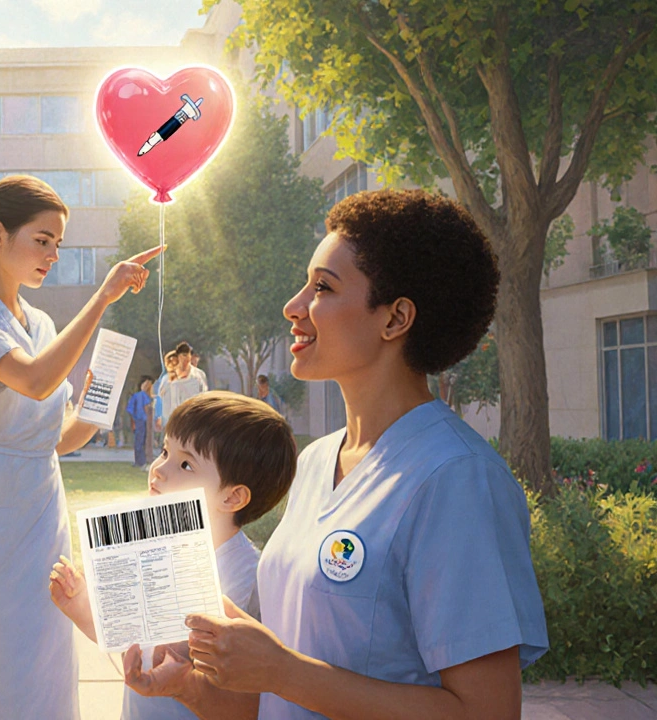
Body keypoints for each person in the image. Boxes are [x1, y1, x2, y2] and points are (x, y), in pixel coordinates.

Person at [125, 190, 549, 719]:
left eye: (322, 287)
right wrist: (190, 687)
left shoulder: (455, 479)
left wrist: (281, 668)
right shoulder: (318, 462)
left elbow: (487, 713)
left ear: (395, 319)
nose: (294, 306)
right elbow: (279, 696)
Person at [0, 175, 163, 719]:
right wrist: (103, 295)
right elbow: (32, 380)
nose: (53, 255)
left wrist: (102, 395)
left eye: (59, 244)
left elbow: (56, 437)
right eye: (43, 240)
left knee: (42, 665)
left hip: (41, 502)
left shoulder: (43, 322)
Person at [50, 391, 297, 720]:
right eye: (164, 451)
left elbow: (247, 703)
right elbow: (134, 643)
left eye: (185, 464)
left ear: (233, 497)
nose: (158, 469)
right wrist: (81, 607)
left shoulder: (247, 582)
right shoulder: (154, 552)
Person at [159, 343, 206, 421]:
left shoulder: (199, 376)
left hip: (193, 418)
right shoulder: (167, 379)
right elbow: (162, 399)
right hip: (175, 420)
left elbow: (203, 397)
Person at [126, 376, 155, 467]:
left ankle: (138, 461)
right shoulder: (143, 395)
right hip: (143, 421)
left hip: (138, 420)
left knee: (138, 441)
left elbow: (130, 410)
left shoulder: (136, 396)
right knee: (142, 441)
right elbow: (147, 408)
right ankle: (142, 461)